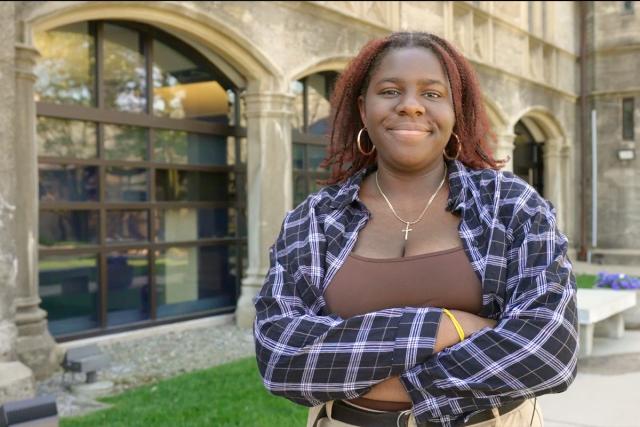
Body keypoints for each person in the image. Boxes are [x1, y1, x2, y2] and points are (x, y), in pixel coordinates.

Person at [253, 31, 578, 427]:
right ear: (363, 107)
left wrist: (370, 376)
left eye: (432, 94)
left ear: (456, 110)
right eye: (390, 91)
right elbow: (280, 356)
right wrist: (448, 326)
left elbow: (549, 351)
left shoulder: (511, 205)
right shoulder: (314, 219)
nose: (410, 106)